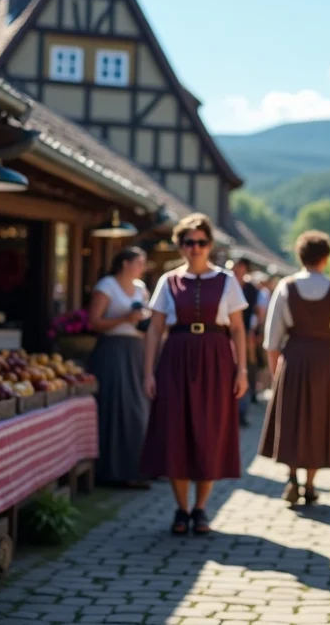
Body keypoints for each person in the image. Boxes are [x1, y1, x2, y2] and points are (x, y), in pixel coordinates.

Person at [140, 214, 250, 536]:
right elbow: (155, 329)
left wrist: (241, 370)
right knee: (176, 432)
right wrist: (149, 372)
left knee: (209, 432)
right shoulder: (168, 281)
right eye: (189, 242)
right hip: (175, 358)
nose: (196, 248)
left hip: (216, 359)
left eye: (201, 242)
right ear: (180, 245)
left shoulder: (226, 281)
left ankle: (201, 508)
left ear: (210, 245)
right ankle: (181, 507)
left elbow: (239, 328)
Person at [259, 231, 330, 505]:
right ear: (326, 258)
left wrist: (275, 375)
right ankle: (310, 483)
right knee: (320, 421)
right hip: (326, 361)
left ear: (300, 256)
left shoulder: (286, 287)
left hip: (293, 359)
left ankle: (292, 477)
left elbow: (272, 341)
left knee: (292, 418)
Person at [87, 247, 150, 488]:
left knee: (138, 409)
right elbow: (94, 322)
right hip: (112, 351)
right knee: (114, 408)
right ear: (125, 263)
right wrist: (125, 319)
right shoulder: (107, 286)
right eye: (139, 262)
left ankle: (137, 470)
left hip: (136, 351)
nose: (143, 267)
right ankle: (111, 473)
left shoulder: (142, 288)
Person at [232, 257, 259, 426]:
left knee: (245, 370)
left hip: (245, 336)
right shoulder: (226, 284)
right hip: (226, 335)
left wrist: (252, 333)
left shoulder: (251, 289)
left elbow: (256, 313)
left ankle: (242, 411)